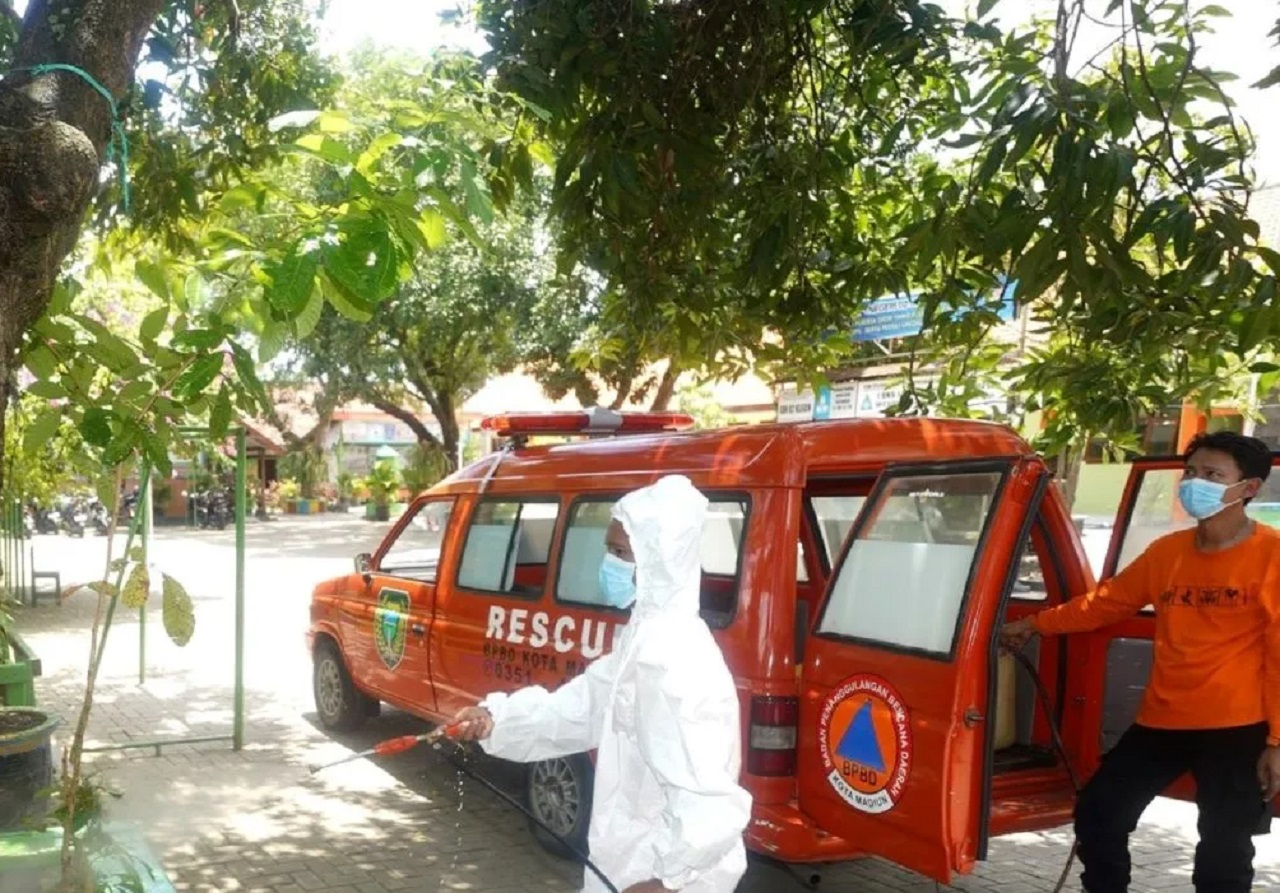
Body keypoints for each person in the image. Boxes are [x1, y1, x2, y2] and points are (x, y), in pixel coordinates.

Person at [1002, 430, 1280, 893]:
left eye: (1212, 475)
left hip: (1237, 726)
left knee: (1225, 850)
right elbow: (1104, 604)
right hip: (1162, 722)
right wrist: (1035, 624)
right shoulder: (1167, 554)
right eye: (1190, 473)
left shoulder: (1272, 556)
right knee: (1099, 811)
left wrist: (1277, 740)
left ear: (1248, 489)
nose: (1195, 483)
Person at [450, 474, 752, 893]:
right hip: (626, 867)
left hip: (660, 880)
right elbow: (584, 708)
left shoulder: (675, 661)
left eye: (621, 552)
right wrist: (496, 719)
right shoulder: (643, 640)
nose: (608, 563)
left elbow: (711, 804)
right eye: (608, 549)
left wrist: (663, 883)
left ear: (658, 561)